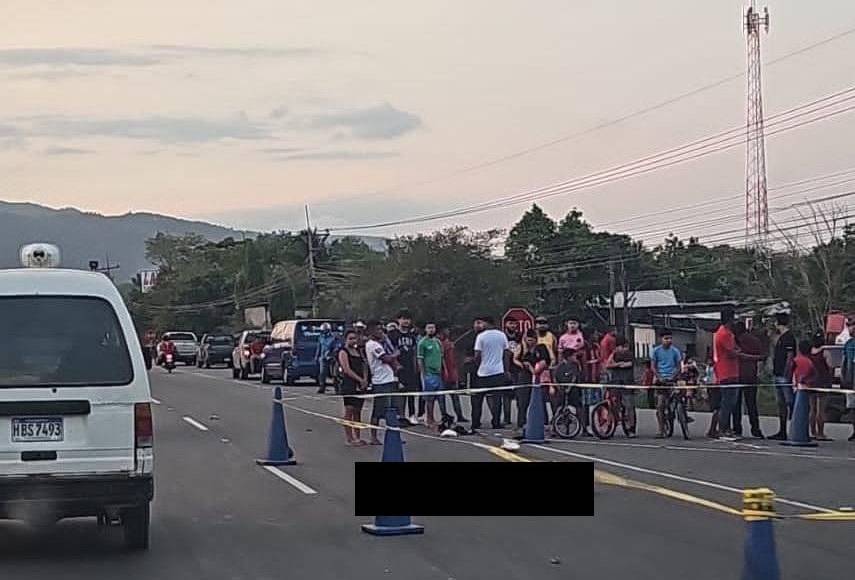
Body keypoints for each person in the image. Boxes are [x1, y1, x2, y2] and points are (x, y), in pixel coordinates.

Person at [713, 310, 762, 440]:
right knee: (728, 402)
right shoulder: (724, 334)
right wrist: (753, 357)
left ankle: (728, 428)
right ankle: (723, 429)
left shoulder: (727, 333)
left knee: (732, 402)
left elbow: (736, 349)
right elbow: (733, 352)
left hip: (732, 372)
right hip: (728, 372)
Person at [470, 315, 510, 432]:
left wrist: (477, 365)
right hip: (498, 372)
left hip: (483, 372)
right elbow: (506, 353)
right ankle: (496, 422)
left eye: (482, 323)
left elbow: (477, 355)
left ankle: (476, 422)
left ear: (487, 323)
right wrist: (506, 370)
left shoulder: (481, 337)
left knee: (477, 399)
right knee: (497, 399)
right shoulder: (502, 335)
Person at [365, 321, 402, 445]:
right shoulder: (373, 345)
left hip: (388, 379)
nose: (381, 332)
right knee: (378, 410)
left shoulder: (381, 343)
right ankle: (373, 437)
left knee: (392, 410)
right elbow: (386, 358)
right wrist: (396, 354)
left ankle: (393, 436)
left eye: (381, 330)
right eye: (378, 330)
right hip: (381, 382)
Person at [514, 330, 554, 435]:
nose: (530, 342)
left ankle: (544, 423)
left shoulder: (541, 348)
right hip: (524, 376)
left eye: (532, 339)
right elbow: (515, 359)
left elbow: (545, 361)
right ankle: (521, 424)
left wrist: (533, 369)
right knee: (523, 401)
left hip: (538, 375)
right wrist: (521, 364)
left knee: (540, 400)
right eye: (528, 339)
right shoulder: (522, 348)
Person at [387, 310, 420, 425]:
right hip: (398, 368)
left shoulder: (413, 336)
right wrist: (395, 366)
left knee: (411, 392)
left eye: (408, 319)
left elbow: (415, 351)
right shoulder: (393, 335)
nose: (406, 321)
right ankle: (400, 415)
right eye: (403, 318)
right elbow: (390, 351)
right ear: (398, 320)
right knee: (399, 392)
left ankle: (412, 414)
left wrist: (417, 366)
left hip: (410, 367)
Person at [733, 321, 765, 439]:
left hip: (737, 375)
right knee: (751, 404)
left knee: (736, 404)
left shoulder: (735, 341)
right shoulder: (755, 341)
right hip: (751, 376)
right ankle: (755, 429)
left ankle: (737, 428)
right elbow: (761, 358)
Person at [769, 313, 797, 441]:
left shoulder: (788, 337)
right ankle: (782, 429)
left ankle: (796, 428)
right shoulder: (779, 337)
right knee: (780, 403)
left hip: (784, 374)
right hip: (777, 373)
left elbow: (790, 356)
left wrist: (787, 372)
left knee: (789, 402)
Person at [338, 330, 368, 446]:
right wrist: (359, 380)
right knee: (349, 410)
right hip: (349, 384)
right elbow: (346, 369)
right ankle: (349, 438)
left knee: (357, 411)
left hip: (361, 385)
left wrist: (364, 380)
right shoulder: (343, 352)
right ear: (345, 339)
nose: (353, 340)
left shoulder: (359, 351)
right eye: (350, 338)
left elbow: (364, 365)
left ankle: (358, 437)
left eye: (354, 338)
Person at [651, 329, 683, 439]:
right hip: (661, 380)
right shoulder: (656, 351)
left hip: (672, 379)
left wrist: (674, 376)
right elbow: (653, 366)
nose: (668, 340)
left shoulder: (675, 351)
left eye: (670, 338)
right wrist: (659, 377)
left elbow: (679, 366)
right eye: (666, 338)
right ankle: (661, 429)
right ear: (661, 339)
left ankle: (683, 414)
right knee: (660, 405)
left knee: (680, 394)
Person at [606, 335, 636, 437]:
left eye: (623, 347)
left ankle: (631, 428)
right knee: (614, 405)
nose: (621, 349)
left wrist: (618, 364)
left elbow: (629, 364)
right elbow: (608, 364)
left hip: (627, 383)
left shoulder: (630, 354)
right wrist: (618, 364)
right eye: (618, 347)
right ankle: (611, 426)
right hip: (615, 382)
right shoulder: (614, 354)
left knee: (629, 406)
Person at [417, 322, 445, 428]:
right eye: (429, 327)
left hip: (438, 374)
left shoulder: (438, 342)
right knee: (429, 398)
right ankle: (429, 419)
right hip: (428, 374)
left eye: (433, 327)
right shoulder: (422, 343)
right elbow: (420, 360)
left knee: (440, 397)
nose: (431, 330)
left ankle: (441, 417)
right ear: (425, 329)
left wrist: (444, 370)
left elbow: (442, 358)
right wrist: (423, 374)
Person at [440, 326, 467, 423]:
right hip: (444, 373)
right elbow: (442, 359)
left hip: (452, 372)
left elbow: (454, 361)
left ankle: (459, 415)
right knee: (441, 396)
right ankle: (444, 415)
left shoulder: (450, 345)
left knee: (455, 396)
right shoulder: (440, 344)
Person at [809, 332, 832, 441]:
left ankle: (812, 431)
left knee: (812, 409)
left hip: (812, 382)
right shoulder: (825, 351)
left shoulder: (810, 352)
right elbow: (830, 365)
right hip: (823, 382)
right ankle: (820, 432)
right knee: (821, 409)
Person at [840, 317, 855, 441]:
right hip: (850, 380)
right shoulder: (848, 343)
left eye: (853, 325)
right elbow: (844, 361)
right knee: (852, 406)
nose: (851, 328)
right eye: (849, 325)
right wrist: (843, 376)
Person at [317, 322, 339, 394]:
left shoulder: (334, 337)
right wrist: (317, 356)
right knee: (322, 373)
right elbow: (319, 347)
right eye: (323, 330)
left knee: (334, 374)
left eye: (326, 330)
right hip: (323, 358)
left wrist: (332, 353)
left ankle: (337, 388)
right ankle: (322, 387)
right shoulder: (320, 337)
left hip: (332, 357)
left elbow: (336, 346)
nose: (324, 331)